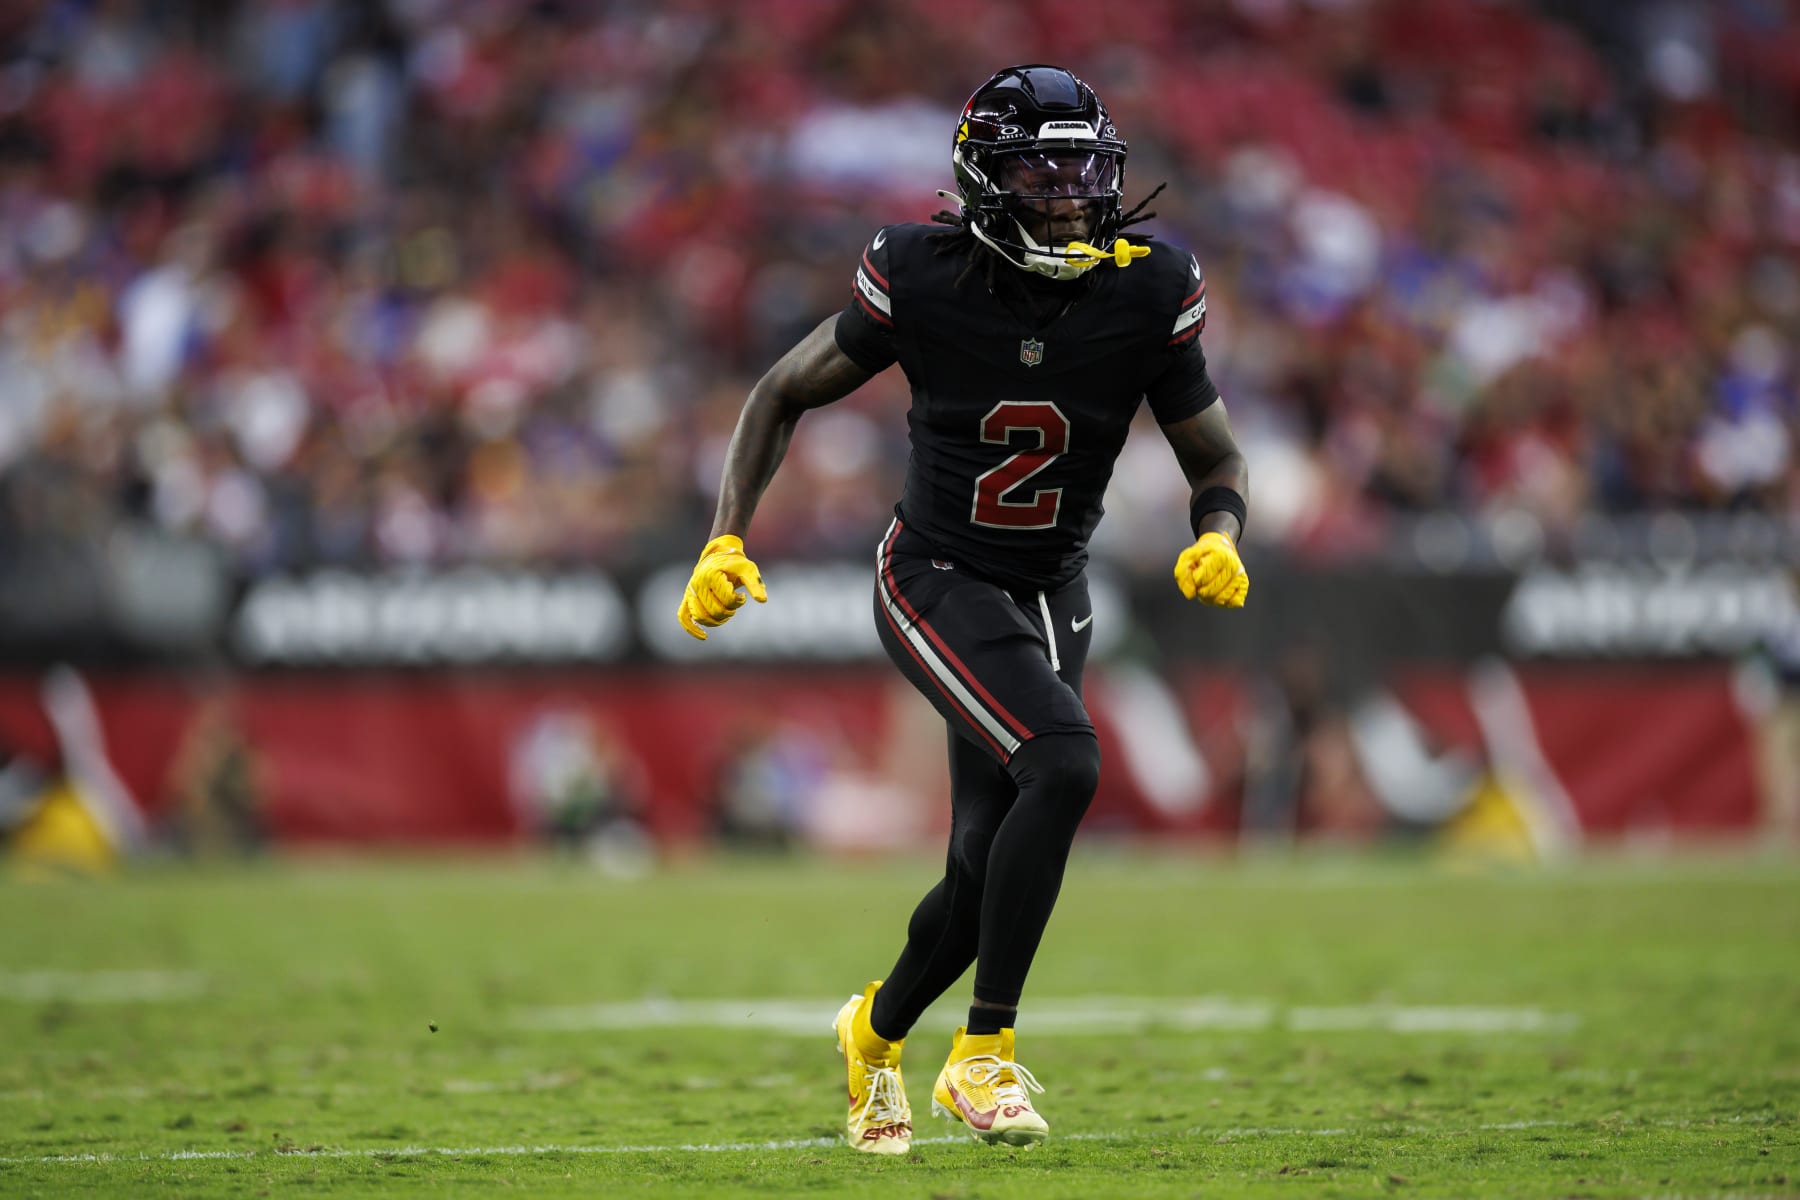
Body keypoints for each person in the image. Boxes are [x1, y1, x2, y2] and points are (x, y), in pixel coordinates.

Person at [677, 65, 1250, 1153]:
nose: (1071, 193)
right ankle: (983, 1055)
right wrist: (725, 535)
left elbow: (1212, 453)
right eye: (1040, 168)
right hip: (934, 575)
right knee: (1068, 761)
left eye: (1086, 168)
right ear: (984, 178)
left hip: (1054, 589)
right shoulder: (922, 273)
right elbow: (781, 392)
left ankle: (875, 1036)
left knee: (983, 861)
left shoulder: (1150, 285)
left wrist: (1219, 529)